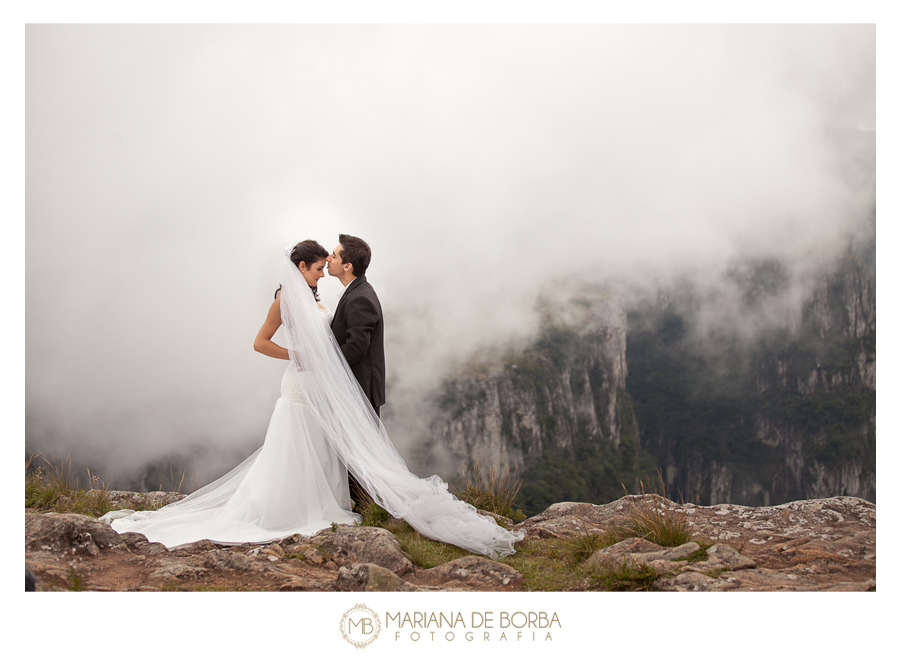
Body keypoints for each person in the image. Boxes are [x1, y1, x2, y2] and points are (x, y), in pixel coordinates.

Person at [100, 240, 524, 559]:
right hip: (302, 385)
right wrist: (298, 356)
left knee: (318, 447)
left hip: (322, 386)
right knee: (295, 444)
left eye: (329, 265)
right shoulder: (286, 299)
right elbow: (260, 342)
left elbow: (340, 341)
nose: (323, 272)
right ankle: (294, 506)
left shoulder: (318, 298)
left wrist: (323, 363)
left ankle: (330, 501)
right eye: (318, 267)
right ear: (301, 266)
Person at [326, 234, 384, 507]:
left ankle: (365, 511)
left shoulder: (360, 297)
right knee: (353, 451)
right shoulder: (355, 292)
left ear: (347, 265)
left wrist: (323, 364)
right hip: (354, 387)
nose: (329, 259)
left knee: (360, 455)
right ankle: (361, 509)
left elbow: (357, 346)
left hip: (359, 389)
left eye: (335, 256)